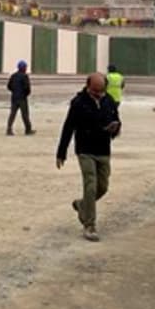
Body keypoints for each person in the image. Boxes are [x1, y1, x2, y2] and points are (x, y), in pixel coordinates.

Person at [56, 73, 122, 241]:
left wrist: (115, 129)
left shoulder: (109, 101)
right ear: (88, 86)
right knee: (90, 186)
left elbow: (116, 120)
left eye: (101, 91)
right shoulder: (79, 102)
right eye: (95, 91)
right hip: (85, 150)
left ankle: (82, 205)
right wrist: (61, 152)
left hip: (103, 150)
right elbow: (68, 127)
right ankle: (89, 225)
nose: (98, 94)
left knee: (103, 187)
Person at [5, 60, 34, 136]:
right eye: (25, 67)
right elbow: (27, 88)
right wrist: (25, 94)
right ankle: (28, 130)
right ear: (24, 68)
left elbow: (9, 86)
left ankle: (9, 129)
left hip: (14, 98)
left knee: (12, 114)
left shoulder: (13, 76)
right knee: (25, 115)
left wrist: (14, 91)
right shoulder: (25, 76)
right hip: (22, 98)